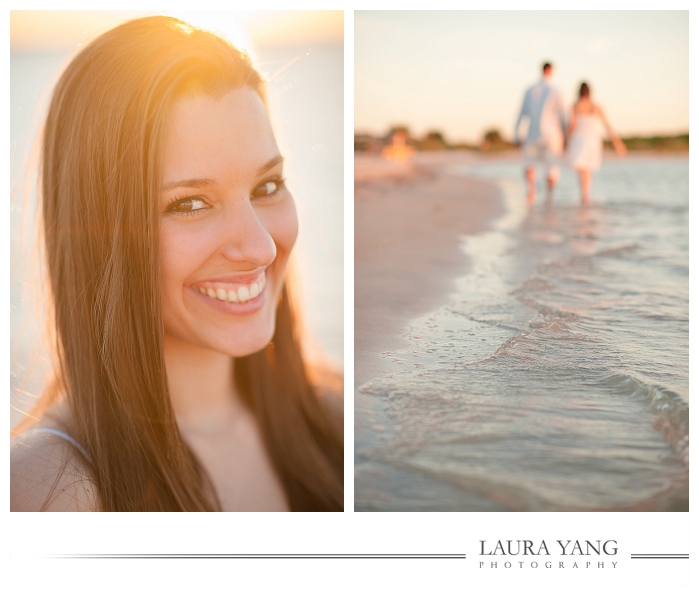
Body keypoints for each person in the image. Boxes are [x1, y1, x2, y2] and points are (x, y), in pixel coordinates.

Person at [10, 16, 343, 512]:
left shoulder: (336, 418)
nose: (260, 248)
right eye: (190, 204)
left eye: (266, 187)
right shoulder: (47, 492)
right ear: (100, 234)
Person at [514, 62, 567, 205]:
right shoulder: (556, 90)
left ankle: (531, 190)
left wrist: (516, 134)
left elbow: (521, 113)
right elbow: (563, 116)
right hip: (552, 136)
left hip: (533, 133)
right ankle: (549, 197)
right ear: (551, 71)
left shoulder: (530, 90)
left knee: (529, 164)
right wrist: (567, 136)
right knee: (552, 168)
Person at [566, 82, 627, 205]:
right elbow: (607, 126)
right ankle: (586, 195)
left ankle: (584, 195)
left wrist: (564, 138)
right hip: (593, 141)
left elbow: (573, 125)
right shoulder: (597, 107)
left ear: (579, 91)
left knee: (582, 169)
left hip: (580, 140)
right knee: (587, 169)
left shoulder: (576, 106)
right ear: (590, 92)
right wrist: (618, 143)